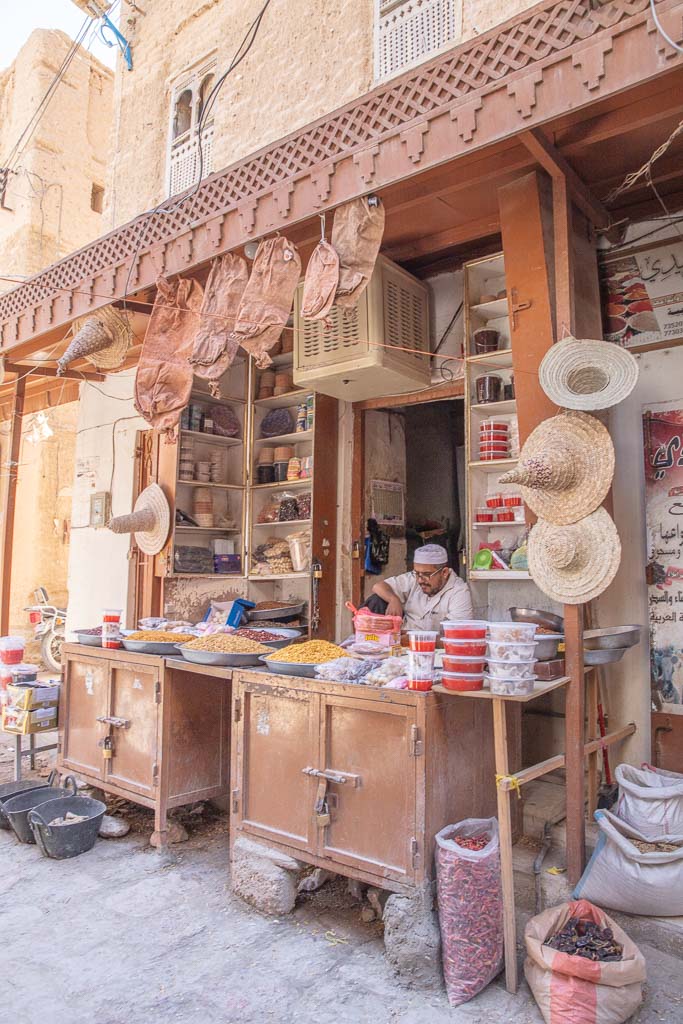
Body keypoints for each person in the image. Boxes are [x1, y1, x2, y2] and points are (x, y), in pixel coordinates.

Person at [367, 544, 473, 631]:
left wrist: (411, 639)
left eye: (427, 574)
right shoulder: (414, 578)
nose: (420, 580)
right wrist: (393, 599)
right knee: (376, 600)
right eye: (417, 573)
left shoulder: (459, 591)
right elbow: (378, 586)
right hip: (401, 642)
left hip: (433, 649)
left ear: (444, 572)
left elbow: (457, 635)